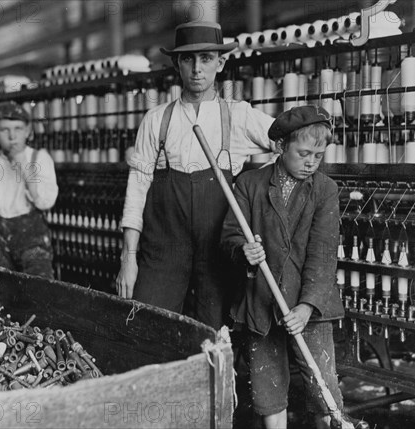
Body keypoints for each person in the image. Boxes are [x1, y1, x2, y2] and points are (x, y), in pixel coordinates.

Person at [115, 21, 277, 329]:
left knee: (215, 336)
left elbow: (288, 139)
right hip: (163, 251)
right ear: (177, 63)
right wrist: (128, 259)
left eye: (205, 58)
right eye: (188, 59)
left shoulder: (238, 116)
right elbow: (136, 192)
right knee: (147, 324)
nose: (197, 69)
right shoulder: (155, 120)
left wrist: (256, 188)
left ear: (220, 62)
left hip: (218, 252)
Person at [221, 106, 351, 429]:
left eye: (318, 156)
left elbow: (323, 256)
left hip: (311, 307)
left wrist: (307, 307)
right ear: (281, 147)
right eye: (304, 153)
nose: (311, 163)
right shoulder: (249, 184)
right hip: (261, 303)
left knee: (324, 394)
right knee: (269, 393)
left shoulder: (325, 191)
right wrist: (243, 251)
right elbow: (229, 237)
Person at [0, 101, 58, 279]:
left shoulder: (39, 158)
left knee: (39, 287)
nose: (12, 136)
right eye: (4, 130)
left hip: (32, 240)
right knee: (0, 289)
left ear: (28, 132)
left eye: (18, 128)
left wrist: (23, 165)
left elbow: (45, 202)